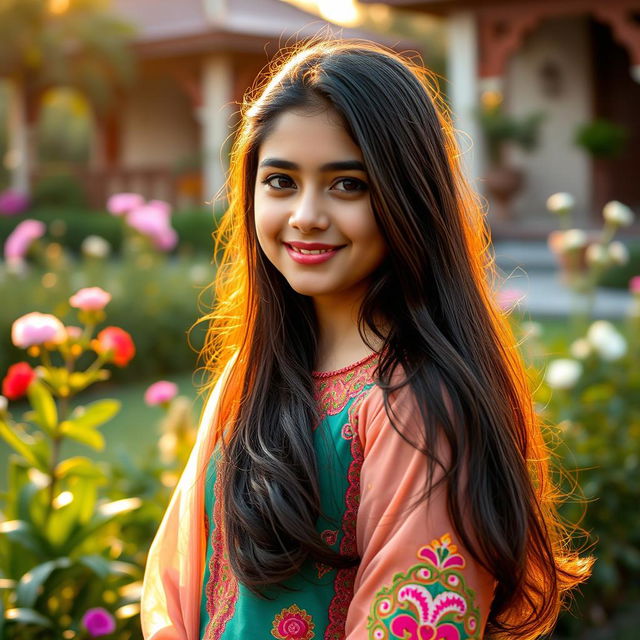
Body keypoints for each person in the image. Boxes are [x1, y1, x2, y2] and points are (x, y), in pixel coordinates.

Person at [140, 39, 591, 640]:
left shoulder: (418, 408)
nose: (305, 214)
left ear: (407, 197)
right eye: (279, 181)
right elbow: (177, 585)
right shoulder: (254, 372)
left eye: (346, 185)